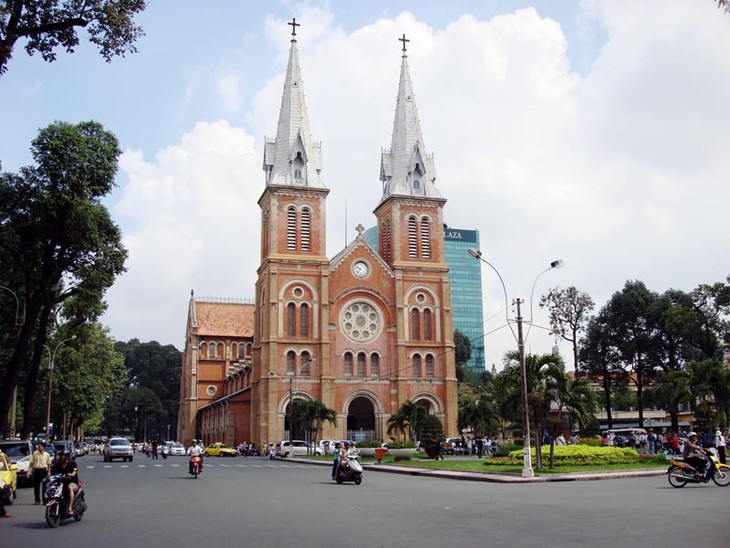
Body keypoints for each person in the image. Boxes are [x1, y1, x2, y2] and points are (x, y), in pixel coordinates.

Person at [50, 450, 79, 517]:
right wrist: (47, 477)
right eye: (59, 456)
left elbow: (74, 472)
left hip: (72, 481)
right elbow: (52, 472)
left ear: (66, 457)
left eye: (61, 456)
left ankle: (69, 507)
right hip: (61, 482)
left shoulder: (72, 463)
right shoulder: (58, 464)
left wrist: (71, 474)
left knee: (70, 488)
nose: (60, 457)